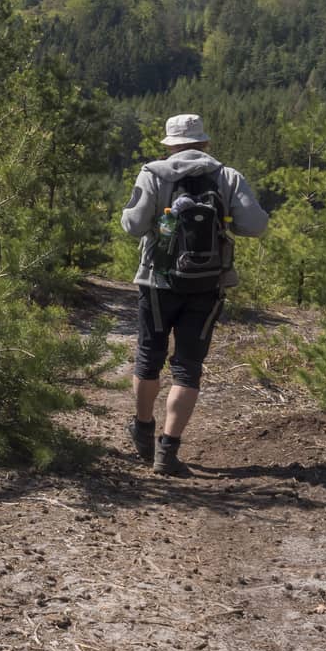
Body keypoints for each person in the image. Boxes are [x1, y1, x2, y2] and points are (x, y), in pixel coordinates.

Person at [121, 114, 268, 476]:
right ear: (204, 143)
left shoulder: (153, 174)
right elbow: (256, 225)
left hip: (158, 282)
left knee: (148, 356)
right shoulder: (227, 177)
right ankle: (167, 452)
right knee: (188, 367)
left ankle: (143, 427)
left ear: (170, 145)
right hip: (208, 284)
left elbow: (132, 225)